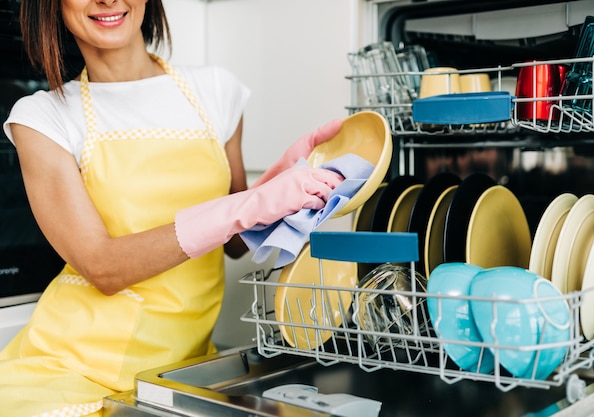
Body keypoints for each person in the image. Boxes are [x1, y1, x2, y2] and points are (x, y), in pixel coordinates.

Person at [0, 0, 344, 416]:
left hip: (179, 371)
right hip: (73, 370)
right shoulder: (43, 116)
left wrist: (283, 177)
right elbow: (102, 268)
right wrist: (248, 204)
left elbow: (233, 242)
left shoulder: (216, 91)